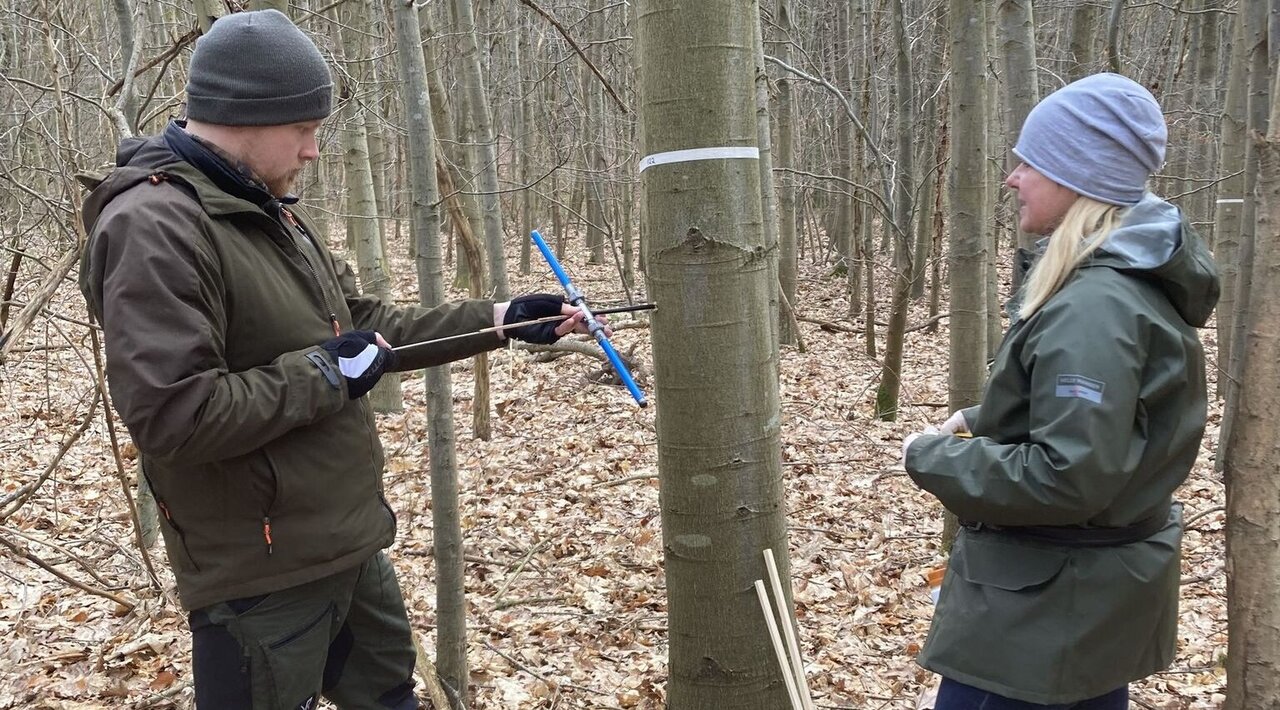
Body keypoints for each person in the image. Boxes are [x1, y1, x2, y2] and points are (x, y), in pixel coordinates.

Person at [78, 10, 591, 710]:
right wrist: (323, 375)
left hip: (346, 546)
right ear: (247, 118)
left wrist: (499, 321)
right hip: (259, 578)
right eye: (305, 130)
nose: (314, 151)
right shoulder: (153, 225)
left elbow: (363, 328)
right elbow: (174, 415)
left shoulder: (265, 206)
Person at [901, 73, 1220, 709]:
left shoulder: (1095, 306)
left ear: (1080, 177)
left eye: (1031, 162)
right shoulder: (1122, 280)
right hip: (1078, 612)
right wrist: (984, 416)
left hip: (1036, 632)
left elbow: (1068, 476)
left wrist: (929, 455)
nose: (1012, 177)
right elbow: (1112, 423)